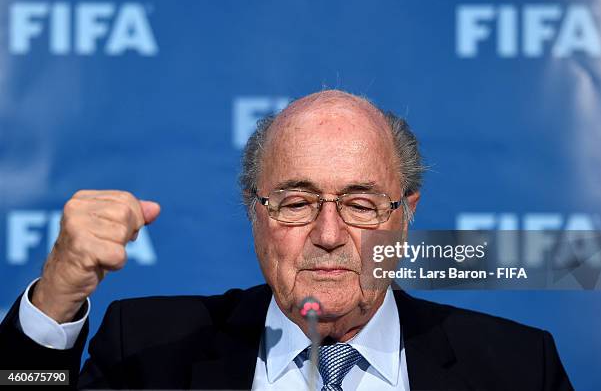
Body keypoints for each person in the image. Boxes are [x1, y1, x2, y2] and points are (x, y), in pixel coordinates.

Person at [0, 90, 572, 390]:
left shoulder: (518, 366)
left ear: (405, 216)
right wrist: (56, 300)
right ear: (256, 214)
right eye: (296, 203)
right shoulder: (147, 349)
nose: (328, 235)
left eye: (360, 204)